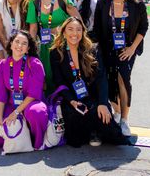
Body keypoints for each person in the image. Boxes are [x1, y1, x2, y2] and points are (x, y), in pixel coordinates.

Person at [50, 17, 129, 147]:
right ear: (63, 32)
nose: (74, 33)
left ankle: (96, 130)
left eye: (78, 30)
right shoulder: (56, 53)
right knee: (75, 136)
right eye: (70, 29)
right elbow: (59, 82)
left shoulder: (92, 49)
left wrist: (103, 103)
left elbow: (101, 78)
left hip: (93, 97)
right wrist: (71, 101)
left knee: (110, 129)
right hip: (72, 98)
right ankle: (92, 130)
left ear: (83, 32)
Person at [93, 0, 149, 137]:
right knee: (109, 81)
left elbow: (143, 27)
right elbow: (97, 28)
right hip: (107, 48)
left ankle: (124, 119)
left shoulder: (136, 3)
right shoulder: (103, 2)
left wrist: (132, 49)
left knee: (123, 80)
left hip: (127, 50)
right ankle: (116, 111)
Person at [22, 0, 81, 93]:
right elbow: (33, 29)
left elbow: (78, 22)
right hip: (45, 47)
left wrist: (61, 29)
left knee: (65, 77)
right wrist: (30, 51)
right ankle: (50, 109)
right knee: (48, 79)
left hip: (66, 46)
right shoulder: (34, 2)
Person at [0, 30, 48, 150]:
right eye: (17, 41)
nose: (19, 46)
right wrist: (0, 118)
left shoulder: (34, 63)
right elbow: (0, 94)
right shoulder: (3, 64)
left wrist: (16, 113)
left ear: (28, 49)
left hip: (31, 103)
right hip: (12, 105)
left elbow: (33, 93)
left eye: (24, 43)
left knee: (36, 112)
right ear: (10, 44)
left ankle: (37, 141)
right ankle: (22, 133)